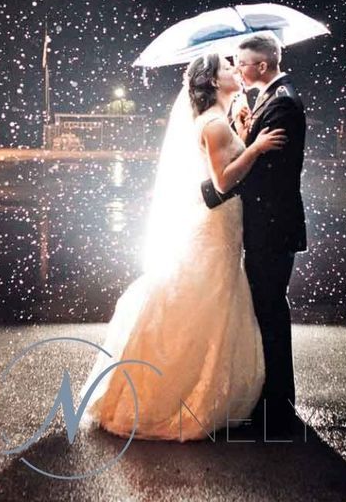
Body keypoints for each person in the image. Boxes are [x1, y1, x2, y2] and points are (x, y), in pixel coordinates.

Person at [81, 53, 286, 440]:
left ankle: (201, 385)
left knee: (214, 296)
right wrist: (255, 148)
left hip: (221, 225)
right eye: (227, 69)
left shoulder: (217, 121)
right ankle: (184, 392)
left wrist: (241, 131)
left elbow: (223, 162)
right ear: (212, 82)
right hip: (215, 226)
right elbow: (223, 182)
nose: (235, 72)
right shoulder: (211, 124)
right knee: (207, 297)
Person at [202, 32, 307, 436]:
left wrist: (214, 192)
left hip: (273, 225)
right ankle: (272, 400)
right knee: (266, 309)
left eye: (241, 63)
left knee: (271, 312)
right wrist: (247, 134)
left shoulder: (282, 103)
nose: (238, 70)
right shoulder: (271, 98)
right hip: (267, 224)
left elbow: (265, 176)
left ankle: (278, 407)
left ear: (261, 65)